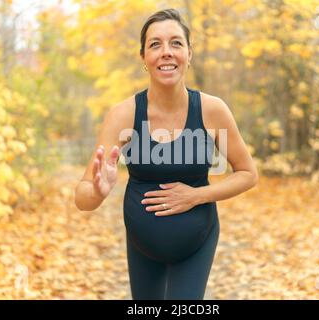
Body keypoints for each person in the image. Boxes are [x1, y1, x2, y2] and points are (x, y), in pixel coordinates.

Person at [75, 8, 259, 300]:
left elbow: (248, 174)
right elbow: (82, 198)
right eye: (155, 44)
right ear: (143, 58)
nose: (166, 52)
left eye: (176, 43)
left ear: (189, 54)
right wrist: (98, 190)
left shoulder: (212, 110)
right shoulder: (123, 115)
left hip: (196, 242)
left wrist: (196, 196)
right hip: (141, 245)